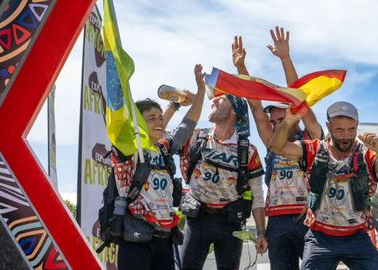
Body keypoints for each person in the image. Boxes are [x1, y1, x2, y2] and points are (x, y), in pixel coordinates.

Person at [269, 101, 378, 270]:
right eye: (339, 130)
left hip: (355, 236)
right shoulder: (314, 150)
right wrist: (288, 121)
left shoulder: (365, 155)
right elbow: (276, 147)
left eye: (351, 129)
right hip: (320, 237)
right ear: (329, 126)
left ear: (357, 126)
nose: (346, 135)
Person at [231, 27, 322, 270]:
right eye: (274, 123)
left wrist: (285, 59)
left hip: (308, 218)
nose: (276, 126)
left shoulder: (312, 139)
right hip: (277, 221)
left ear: (295, 118)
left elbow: (300, 99)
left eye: (282, 121)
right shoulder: (273, 145)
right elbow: (256, 107)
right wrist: (241, 69)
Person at [112, 64, 206, 270]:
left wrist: (200, 91)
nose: (159, 122)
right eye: (151, 118)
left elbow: (188, 124)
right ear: (137, 124)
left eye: (161, 118)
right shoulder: (129, 148)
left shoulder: (164, 147)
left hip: (163, 236)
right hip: (135, 236)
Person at [179, 73, 268, 269]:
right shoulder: (195, 137)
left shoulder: (248, 151)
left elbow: (257, 195)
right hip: (197, 219)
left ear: (234, 110)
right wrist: (179, 103)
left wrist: (261, 232)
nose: (213, 100)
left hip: (230, 223)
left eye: (221, 97)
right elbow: (167, 140)